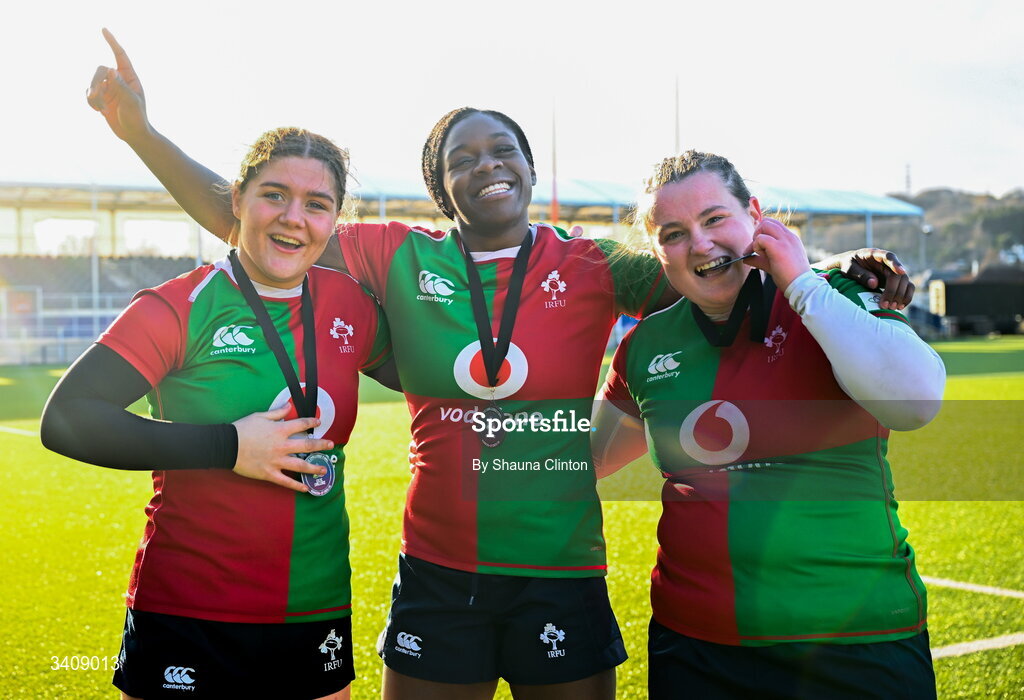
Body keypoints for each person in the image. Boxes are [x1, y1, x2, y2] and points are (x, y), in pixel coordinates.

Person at [83, 30, 916, 700]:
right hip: (438, 569)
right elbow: (260, 224)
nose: (488, 164)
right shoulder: (393, 257)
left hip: (562, 568)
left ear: (528, 166)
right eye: (464, 159)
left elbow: (709, 258)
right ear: (442, 190)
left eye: (503, 149)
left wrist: (841, 270)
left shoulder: (594, 264)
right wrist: (144, 135)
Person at [41, 125, 395, 700]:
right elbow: (69, 417)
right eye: (273, 194)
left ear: (333, 222)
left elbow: (441, 374)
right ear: (237, 200)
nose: (293, 217)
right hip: (188, 608)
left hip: (315, 603)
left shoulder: (349, 304)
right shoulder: (181, 305)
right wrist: (228, 447)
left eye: (316, 204)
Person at [592, 150, 945, 699]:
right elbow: (582, 460)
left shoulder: (835, 294)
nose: (701, 244)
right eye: (674, 233)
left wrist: (804, 285)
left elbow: (916, 402)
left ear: (755, 216)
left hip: (856, 636)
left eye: (714, 220)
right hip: (695, 647)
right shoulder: (647, 345)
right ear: (659, 252)